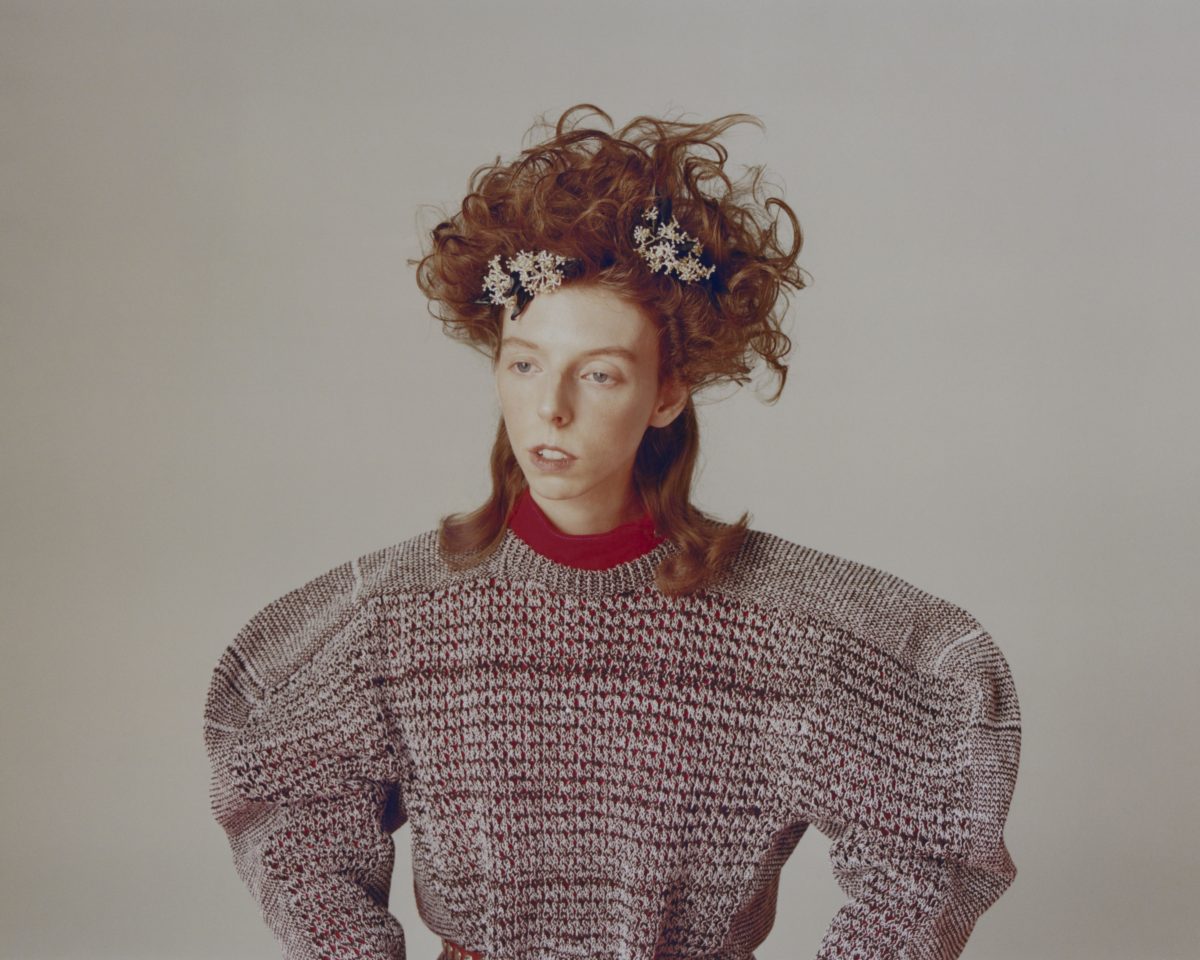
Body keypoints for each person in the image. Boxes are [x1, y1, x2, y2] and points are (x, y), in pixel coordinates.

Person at [204, 104, 1021, 960]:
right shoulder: (396, 617)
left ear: (667, 394)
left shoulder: (790, 630)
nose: (550, 407)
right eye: (525, 364)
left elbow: (933, 841)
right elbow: (291, 819)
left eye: (599, 374)